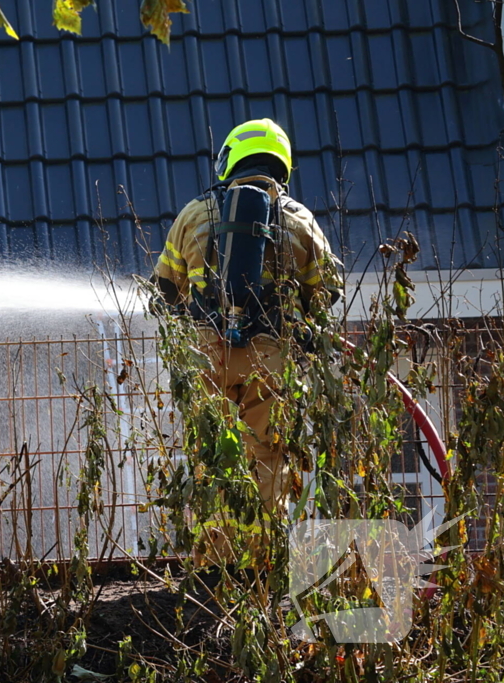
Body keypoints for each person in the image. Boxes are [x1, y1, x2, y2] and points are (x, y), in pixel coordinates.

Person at [154, 118, 342, 569]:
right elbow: (328, 291)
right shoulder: (299, 220)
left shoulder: (194, 213)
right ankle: (258, 569)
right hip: (271, 358)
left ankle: (212, 567)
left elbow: (163, 289)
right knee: (267, 456)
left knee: (211, 454)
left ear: (231, 159)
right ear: (282, 164)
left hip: (206, 356)